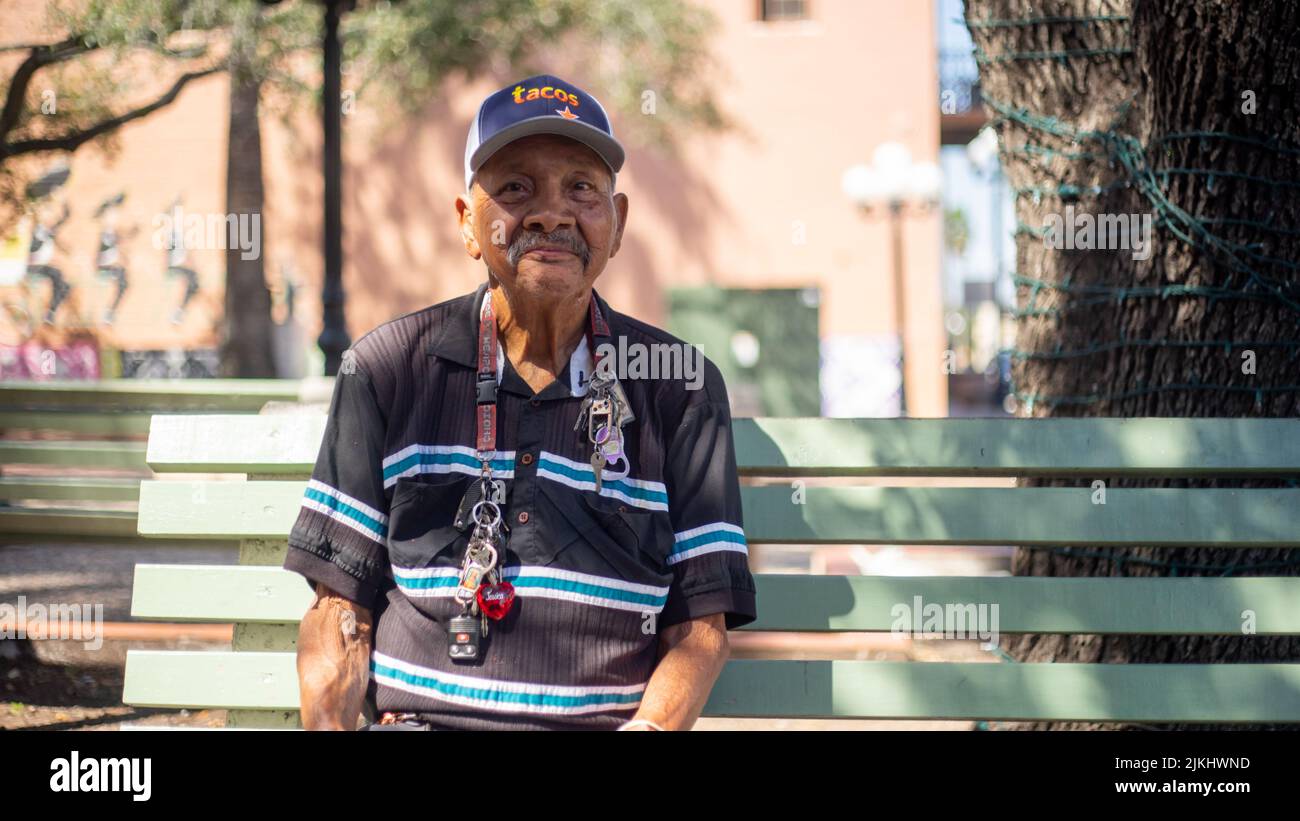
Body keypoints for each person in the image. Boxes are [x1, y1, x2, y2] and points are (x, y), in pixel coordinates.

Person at [284, 74, 756, 731]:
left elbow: (700, 633)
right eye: (514, 188)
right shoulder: (389, 368)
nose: (550, 213)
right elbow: (339, 610)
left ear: (617, 224)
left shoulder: (680, 388)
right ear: (468, 224)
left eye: (581, 188)